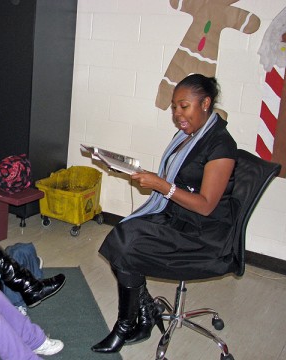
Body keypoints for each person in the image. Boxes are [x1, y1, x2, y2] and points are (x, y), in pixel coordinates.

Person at [91, 74, 239, 353]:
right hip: (178, 215)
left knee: (125, 242)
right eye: (174, 107)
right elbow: (175, 180)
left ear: (205, 103)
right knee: (123, 237)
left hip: (203, 232)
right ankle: (144, 313)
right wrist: (136, 172)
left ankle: (128, 324)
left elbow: (206, 204)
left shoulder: (221, 145)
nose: (177, 115)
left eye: (184, 107)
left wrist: (161, 186)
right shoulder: (188, 136)